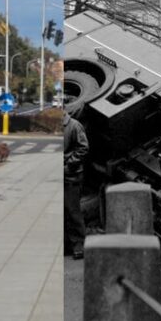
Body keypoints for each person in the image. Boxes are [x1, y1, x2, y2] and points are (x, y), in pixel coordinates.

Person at [64, 111, 89, 259]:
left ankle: (79, 246)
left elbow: (83, 148)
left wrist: (69, 165)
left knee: (72, 211)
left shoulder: (74, 125)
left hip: (70, 175)